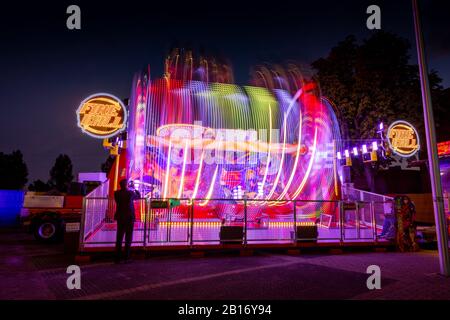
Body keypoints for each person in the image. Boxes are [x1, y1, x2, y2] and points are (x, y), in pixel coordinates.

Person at [114, 179, 141, 263]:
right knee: (128, 237)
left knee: (119, 237)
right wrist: (134, 188)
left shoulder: (116, 193)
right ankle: (127, 257)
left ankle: (118, 257)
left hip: (120, 216)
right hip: (129, 217)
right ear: (126, 185)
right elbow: (138, 196)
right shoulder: (130, 193)